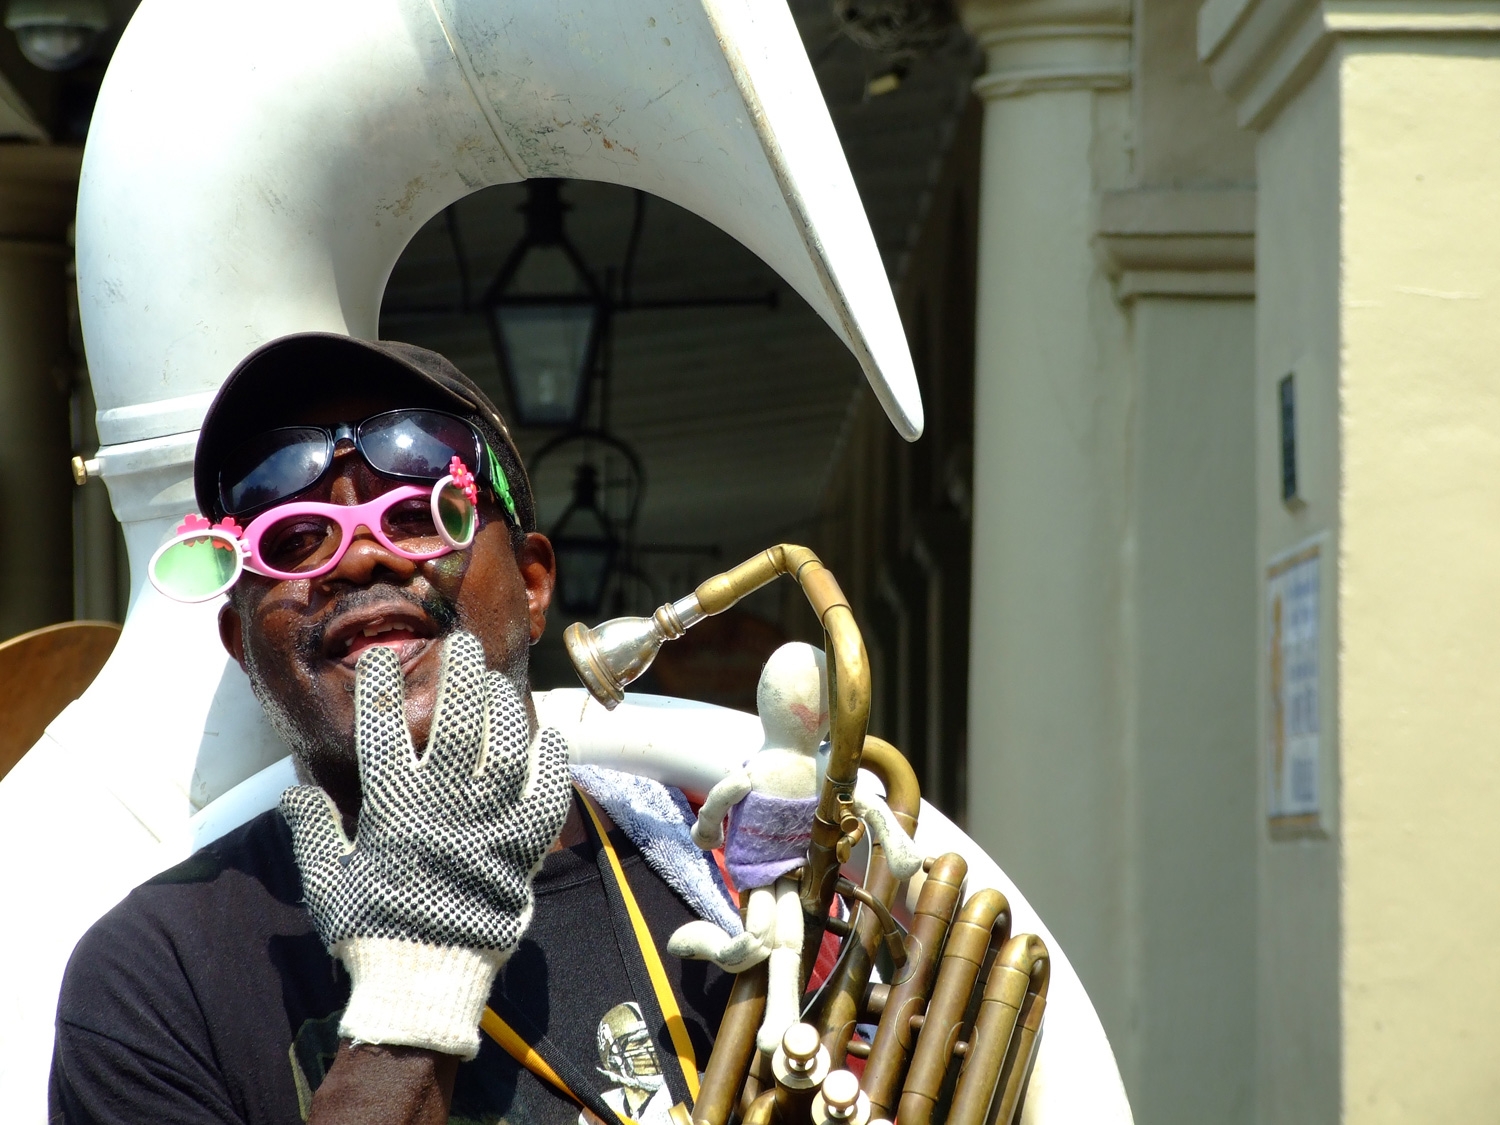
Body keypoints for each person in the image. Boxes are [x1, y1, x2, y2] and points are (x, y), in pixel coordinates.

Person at [48, 333, 737, 1125]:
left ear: (532, 584)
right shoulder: (150, 979)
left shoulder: (730, 871)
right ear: (243, 647)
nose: (359, 557)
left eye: (415, 514)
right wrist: (415, 993)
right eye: (294, 540)